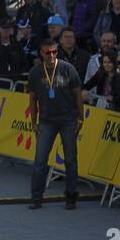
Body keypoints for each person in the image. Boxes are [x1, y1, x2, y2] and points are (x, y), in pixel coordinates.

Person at [27, 40, 83, 210]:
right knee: (40, 160)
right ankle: (36, 197)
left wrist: (81, 118)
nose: (51, 56)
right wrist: (34, 122)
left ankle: (71, 196)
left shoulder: (67, 68)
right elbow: (32, 98)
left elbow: (78, 94)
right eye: (47, 53)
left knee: (70, 159)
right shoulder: (35, 72)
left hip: (68, 119)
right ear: (41, 54)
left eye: (54, 52)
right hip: (46, 121)